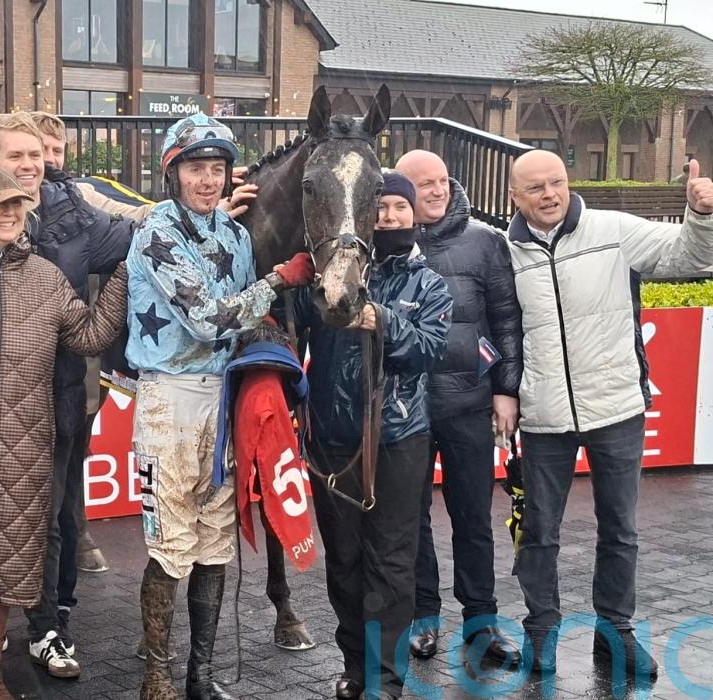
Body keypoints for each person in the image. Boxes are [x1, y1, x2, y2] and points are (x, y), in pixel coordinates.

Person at [126, 112, 317, 700]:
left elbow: (247, 320)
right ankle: (156, 677)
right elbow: (209, 320)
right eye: (195, 169)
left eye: (216, 169)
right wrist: (279, 280)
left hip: (222, 398)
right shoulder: (157, 234)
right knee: (170, 542)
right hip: (168, 401)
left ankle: (200, 677)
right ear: (173, 174)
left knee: (214, 541)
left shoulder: (234, 236)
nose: (207, 180)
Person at [504, 150, 713, 677]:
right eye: (536, 187)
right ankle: (541, 630)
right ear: (515, 196)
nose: (550, 194)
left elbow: (688, 258)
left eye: (557, 182)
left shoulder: (613, 229)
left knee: (620, 529)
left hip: (617, 408)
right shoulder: (503, 251)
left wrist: (701, 215)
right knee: (538, 531)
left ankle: (615, 630)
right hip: (544, 415)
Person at [0, 112, 137, 678]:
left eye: (37, 155)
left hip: (51, 406)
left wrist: (131, 269)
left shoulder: (66, 235)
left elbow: (92, 326)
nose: (31, 166)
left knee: (45, 523)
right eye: (17, 157)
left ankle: (44, 630)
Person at [295, 171, 452, 700]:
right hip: (331, 437)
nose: (389, 217)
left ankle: (386, 678)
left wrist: (381, 320)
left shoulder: (428, 284)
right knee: (343, 558)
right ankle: (355, 666)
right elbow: (293, 323)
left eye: (399, 207)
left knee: (391, 559)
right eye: (379, 208)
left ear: (414, 214)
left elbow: (428, 350)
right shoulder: (331, 274)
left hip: (399, 438)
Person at [393, 150, 523, 664]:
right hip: (405, 410)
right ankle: (423, 617)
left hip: (469, 403)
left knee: (473, 516)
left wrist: (506, 389)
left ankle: (481, 622)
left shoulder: (485, 241)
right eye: (424, 183)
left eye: (443, 180)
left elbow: (507, 320)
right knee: (411, 518)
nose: (437, 190)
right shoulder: (383, 243)